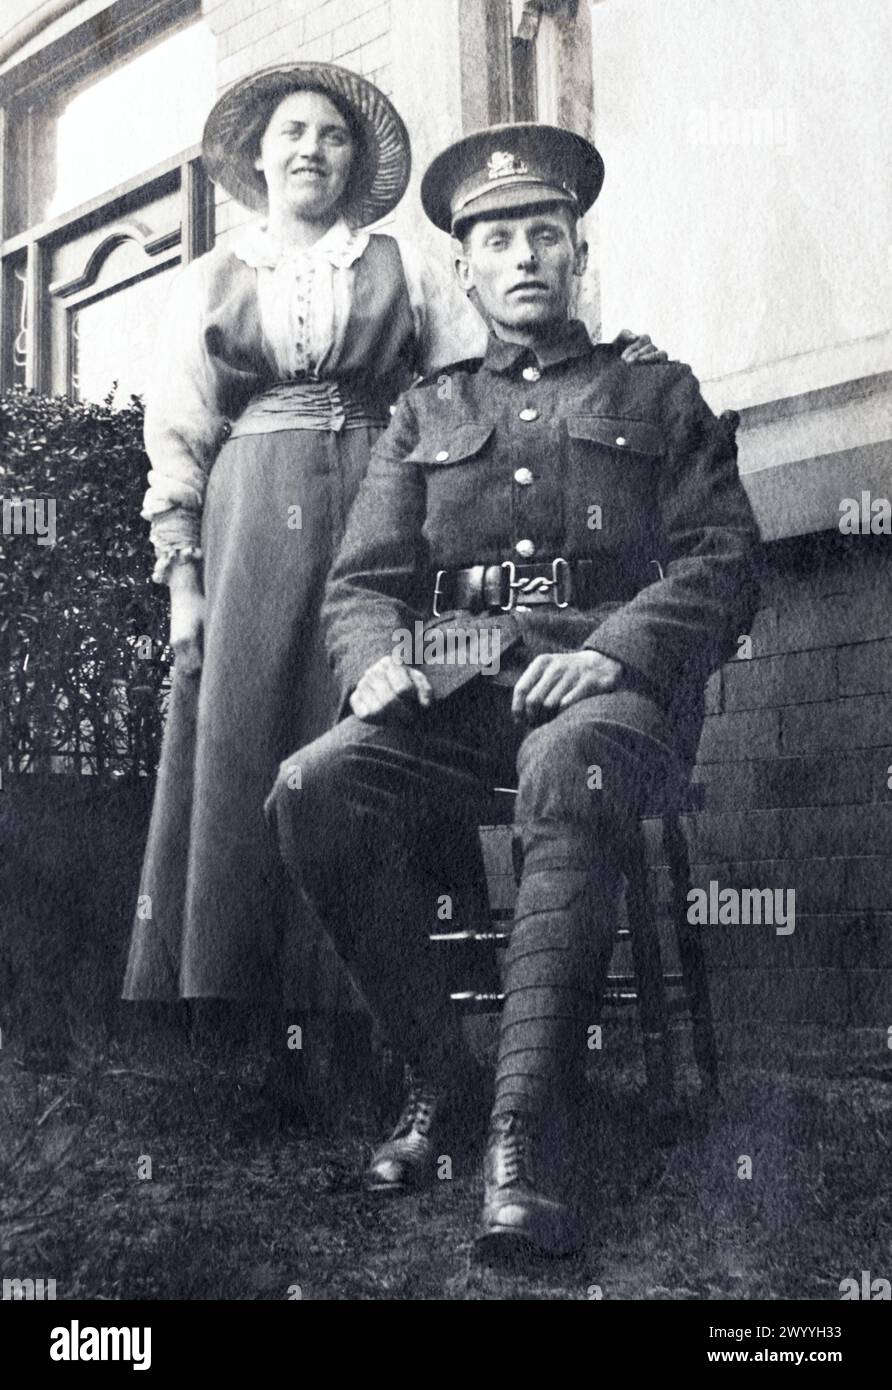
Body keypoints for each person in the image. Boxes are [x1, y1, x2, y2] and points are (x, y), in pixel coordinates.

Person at [266, 121, 761, 1257]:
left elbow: (724, 561)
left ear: (577, 254)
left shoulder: (655, 389)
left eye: (547, 233)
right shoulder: (426, 414)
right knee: (312, 786)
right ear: (466, 268)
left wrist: (619, 650)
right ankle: (446, 1084)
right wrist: (376, 656)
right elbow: (362, 583)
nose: (526, 255)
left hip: (612, 696)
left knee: (565, 759)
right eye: (498, 239)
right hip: (463, 692)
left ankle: (526, 1140)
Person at [123, 62, 666, 1017]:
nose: (311, 150)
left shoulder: (402, 264)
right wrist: (185, 585)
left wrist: (621, 361)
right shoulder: (211, 278)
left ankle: (381, 1023)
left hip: (389, 499)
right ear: (258, 154)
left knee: (380, 714)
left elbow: (494, 370)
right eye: (292, 132)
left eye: (332, 136)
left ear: (355, 160)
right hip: (253, 513)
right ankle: (243, 1012)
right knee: (253, 733)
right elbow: (180, 427)